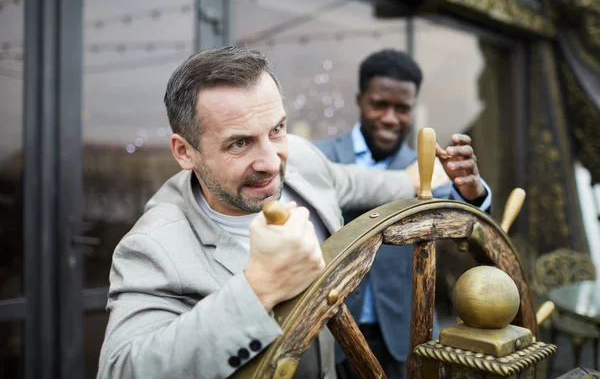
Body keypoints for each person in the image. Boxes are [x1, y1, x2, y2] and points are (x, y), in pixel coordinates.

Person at [97, 46, 482, 379]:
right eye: (239, 143)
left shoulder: (300, 159)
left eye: (276, 129)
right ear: (184, 151)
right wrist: (258, 289)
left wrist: (439, 183)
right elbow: (120, 369)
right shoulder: (154, 244)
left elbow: (367, 183)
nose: (271, 161)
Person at [314, 49, 492, 379]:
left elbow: (463, 226)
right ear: (359, 99)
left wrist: (472, 193)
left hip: (404, 335)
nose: (391, 118)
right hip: (328, 331)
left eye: (402, 109)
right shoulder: (322, 158)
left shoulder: (425, 170)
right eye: (380, 104)